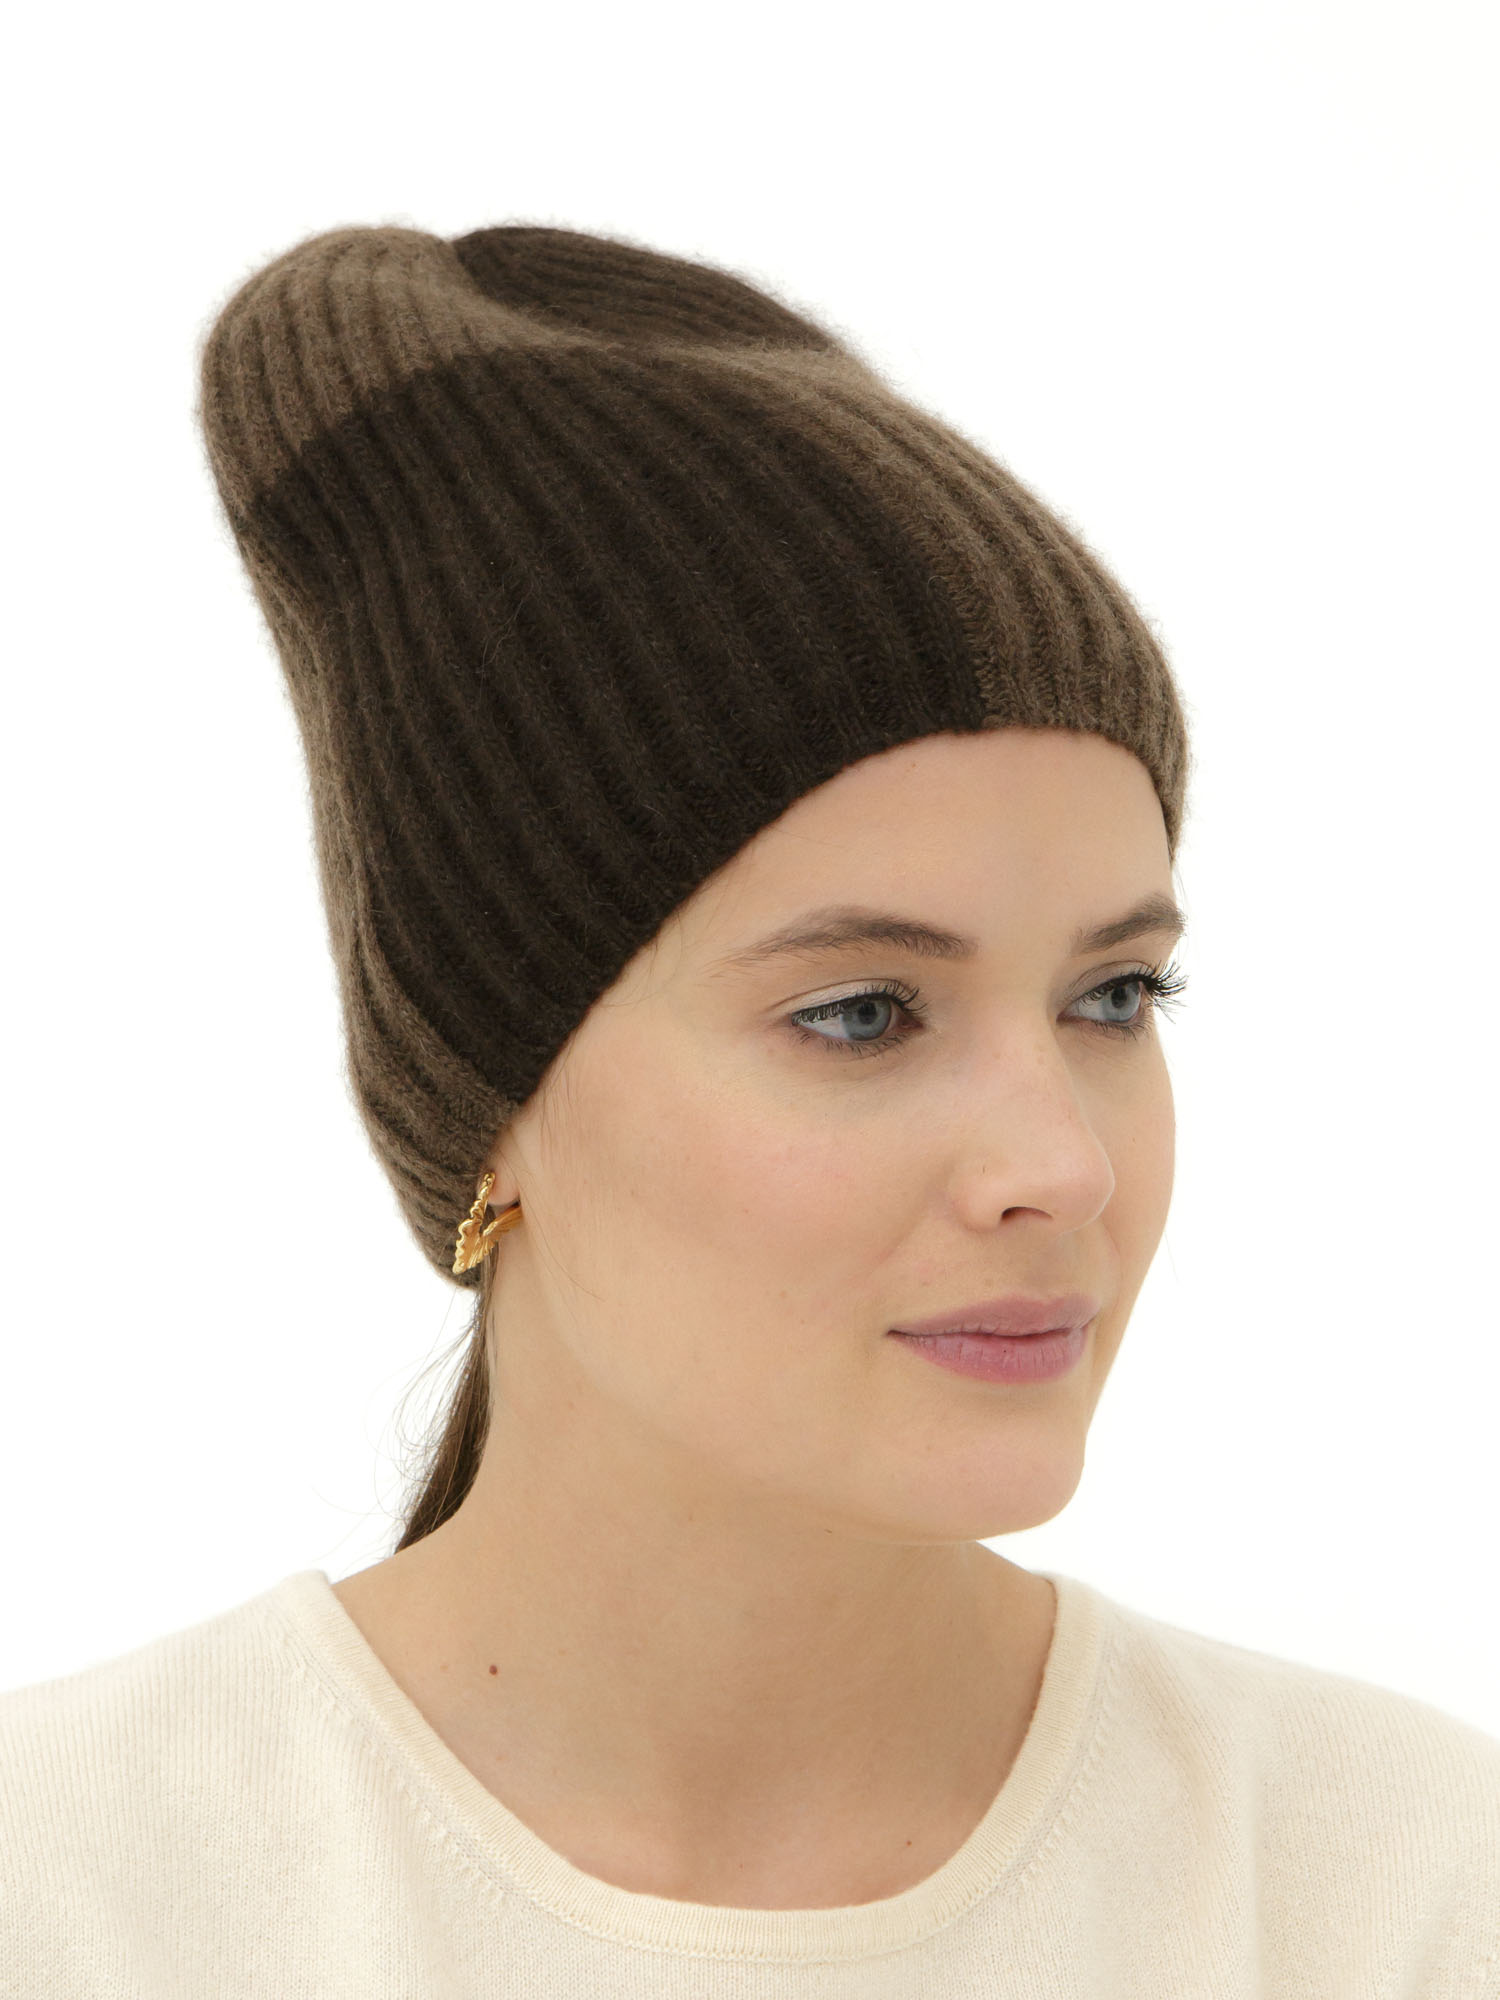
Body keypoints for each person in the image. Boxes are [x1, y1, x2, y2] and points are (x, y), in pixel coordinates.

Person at [1, 221, 1495, 1998]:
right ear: (491, 1102)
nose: (1064, 1165)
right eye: (862, 1013)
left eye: (1115, 996)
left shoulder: (1401, 1890)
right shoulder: (72, 1898)